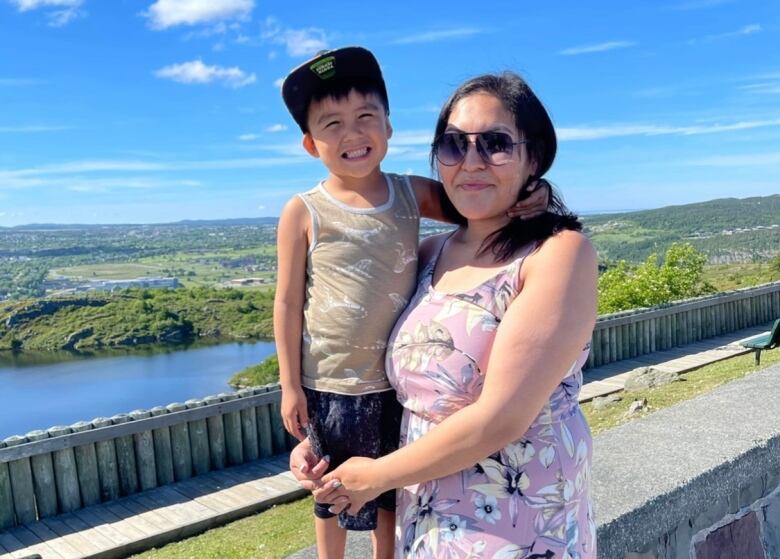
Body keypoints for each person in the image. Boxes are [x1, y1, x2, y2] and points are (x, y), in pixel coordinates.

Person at [294, 71, 598, 558]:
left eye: (495, 143)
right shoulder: (428, 255)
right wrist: (327, 439)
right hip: (426, 522)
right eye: (454, 145)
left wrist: (375, 476)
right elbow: (378, 374)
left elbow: (501, 418)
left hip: (519, 525)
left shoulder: (558, 255)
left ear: (534, 156)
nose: (471, 161)